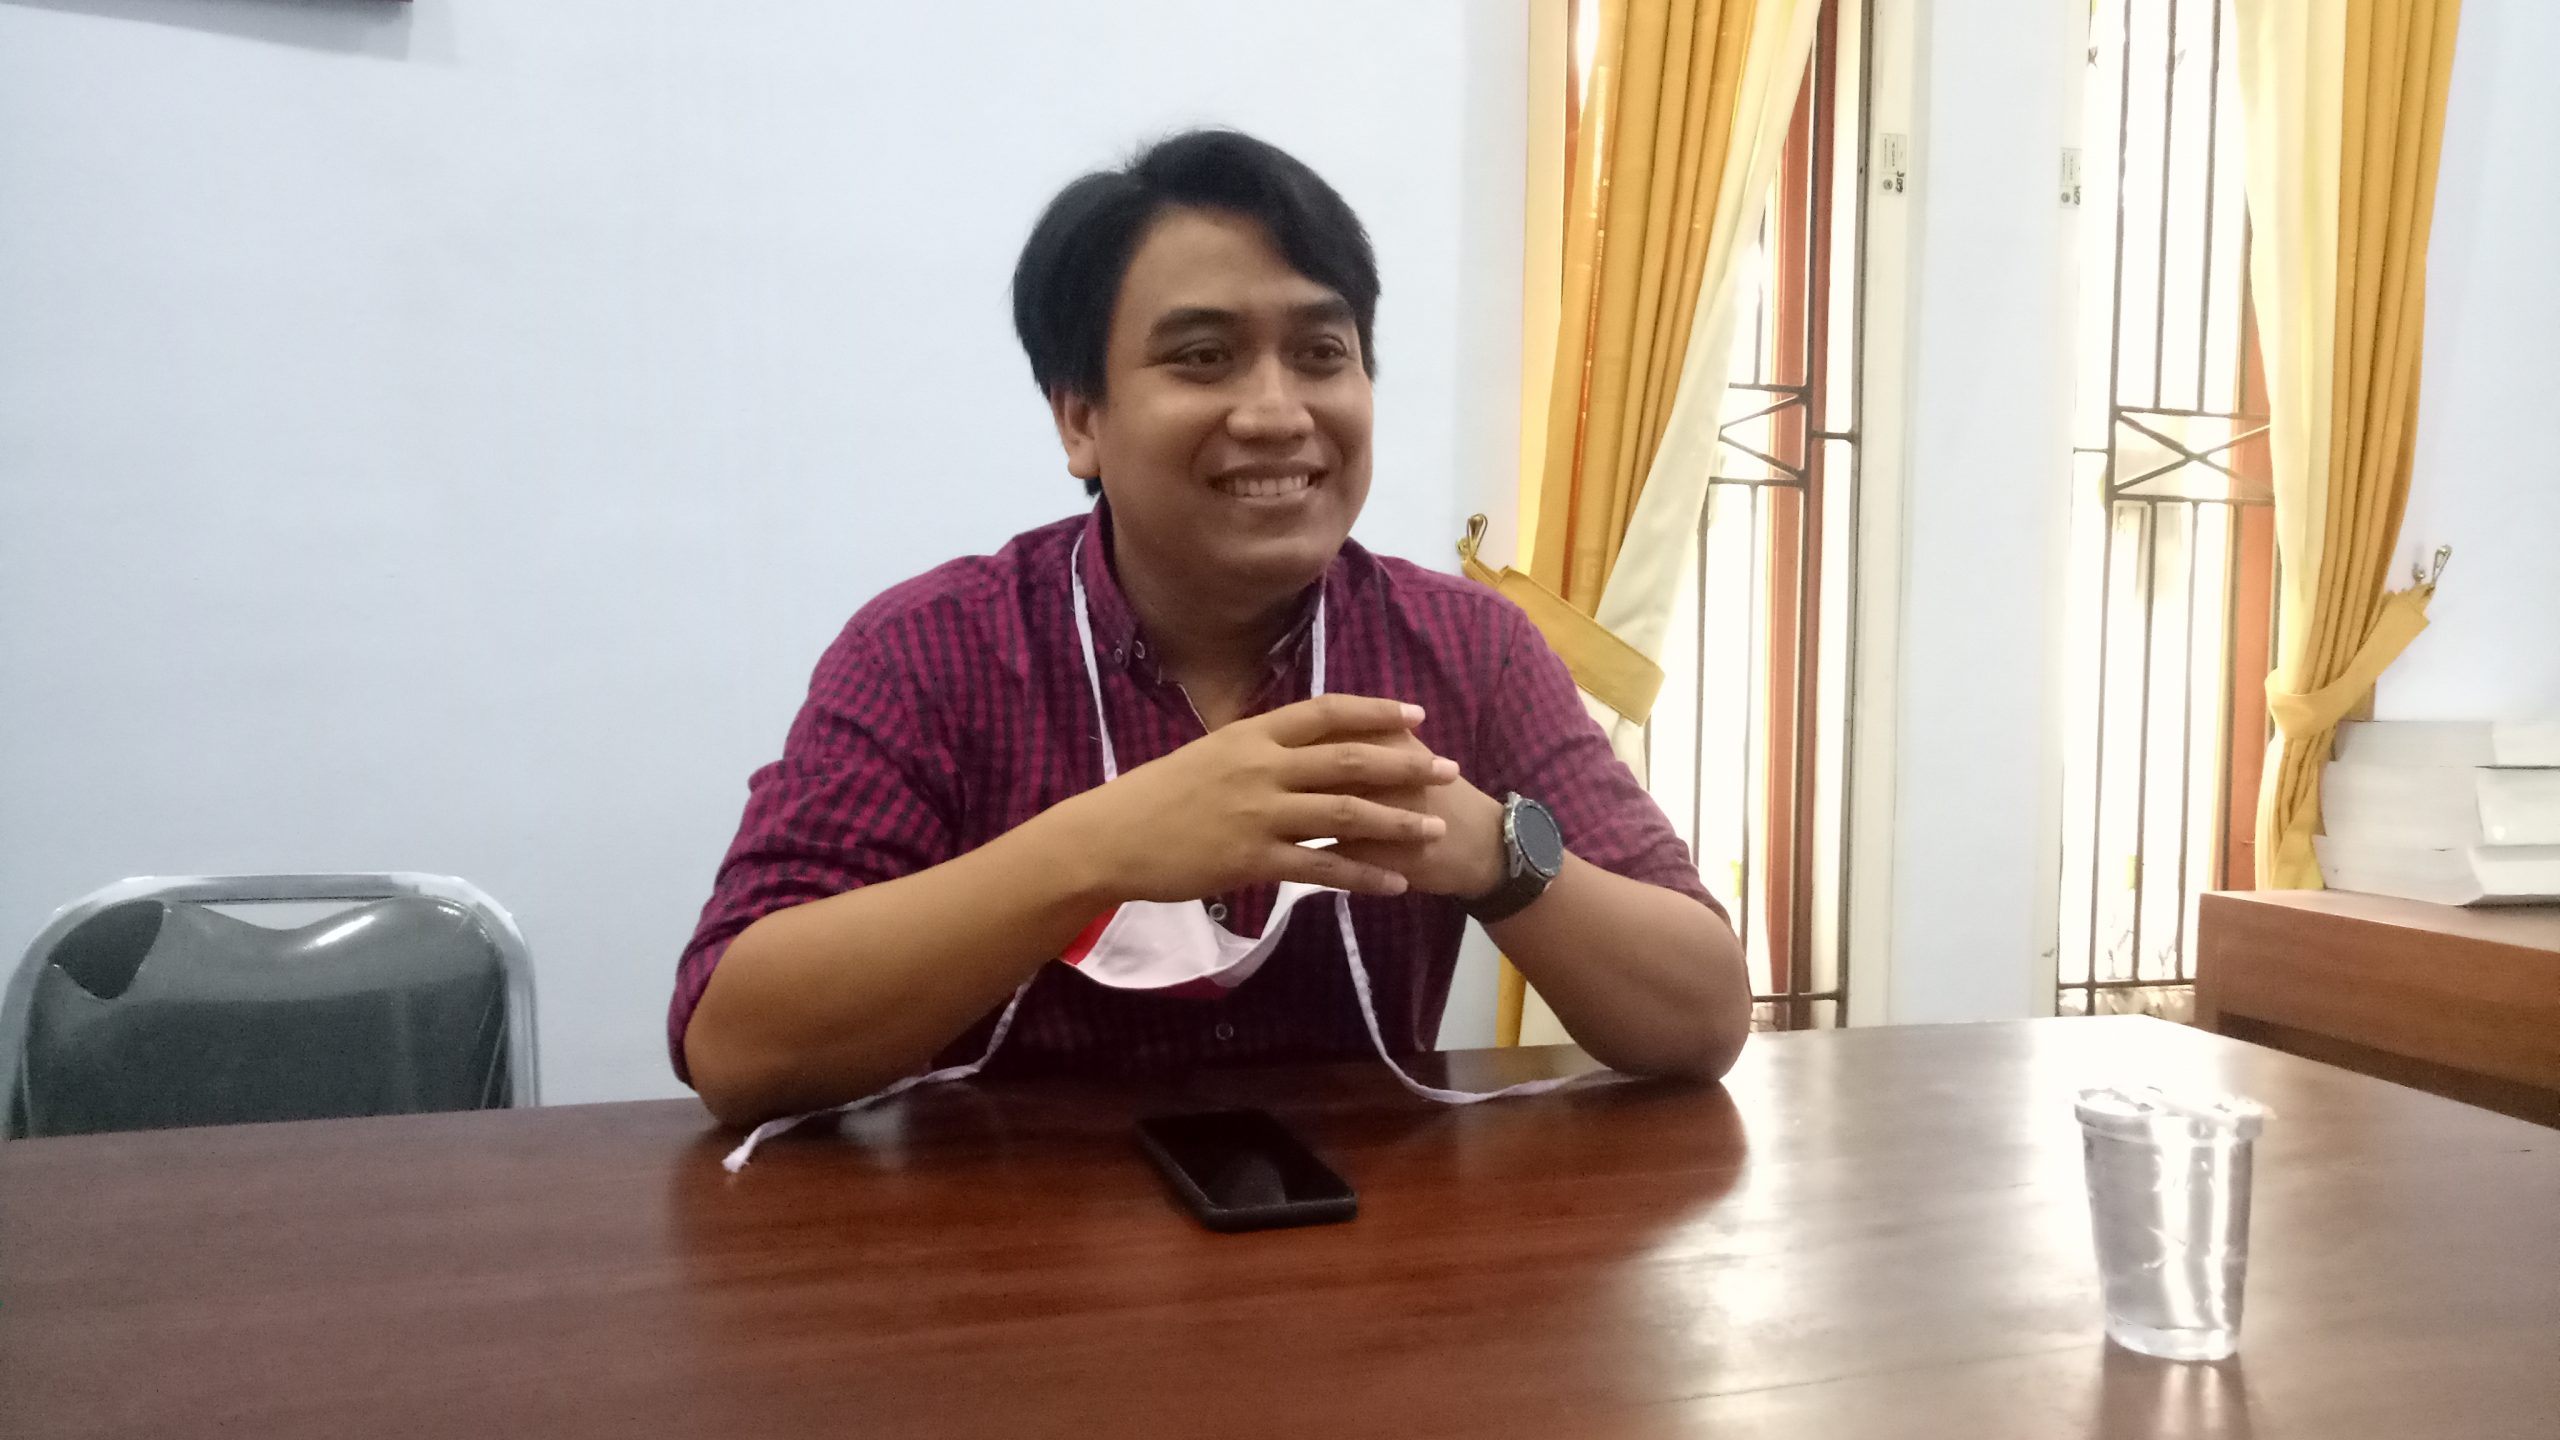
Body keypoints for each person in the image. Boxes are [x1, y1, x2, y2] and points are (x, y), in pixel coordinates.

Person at [672, 129, 1750, 1129]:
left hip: (1368, 1240)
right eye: (1202, 357)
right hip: (1002, 1251)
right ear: (1080, 417)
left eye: (1322, 353)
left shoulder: (1467, 650)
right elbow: (736, 1043)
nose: (1278, 413)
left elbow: (1702, 1018)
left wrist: (1488, 851)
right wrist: (1097, 850)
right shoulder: (929, 651)